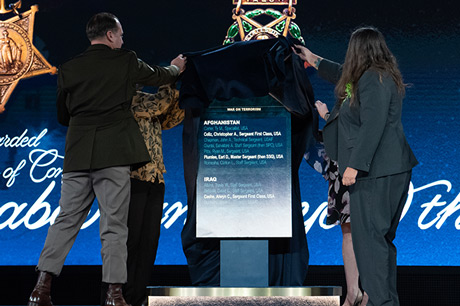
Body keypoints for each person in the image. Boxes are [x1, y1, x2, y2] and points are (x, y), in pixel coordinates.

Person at [27, 12, 186, 306]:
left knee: (64, 221)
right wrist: (175, 69)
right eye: (121, 34)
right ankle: (115, 295)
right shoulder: (125, 61)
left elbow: (64, 116)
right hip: (113, 157)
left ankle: (41, 288)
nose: (123, 39)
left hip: (77, 156)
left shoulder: (69, 68)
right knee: (114, 226)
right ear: (111, 35)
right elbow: (158, 75)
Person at [294, 26, 418, 306]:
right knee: (378, 243)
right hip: (385, 169)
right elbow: (342, 76)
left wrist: (355, 167)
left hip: (376, 172)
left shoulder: (374, 79)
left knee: (370, 243)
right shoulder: (370, 77)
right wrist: (313, 59)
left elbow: (372, 125)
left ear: (358, 51)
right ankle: (386, 302)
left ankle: (380, 303)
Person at [100, 85, 184, 306]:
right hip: (130, 178)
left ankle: (136, 299)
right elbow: (159, 105)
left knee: (149, 244)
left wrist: (183, 90)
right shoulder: (123, 100)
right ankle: (115, 297)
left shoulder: (146, 100)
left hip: (155, 179)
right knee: (129, 243)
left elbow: (171, 118)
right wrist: (170, 77)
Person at [306, 100, 368, 306]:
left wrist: (325, 115)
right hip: (343, 167)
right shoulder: (351, 89)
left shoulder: (368, 87)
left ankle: (365, 292)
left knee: (365, 232)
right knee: (349, 231)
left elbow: (355, 126)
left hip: (359, 166)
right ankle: (354, 293)